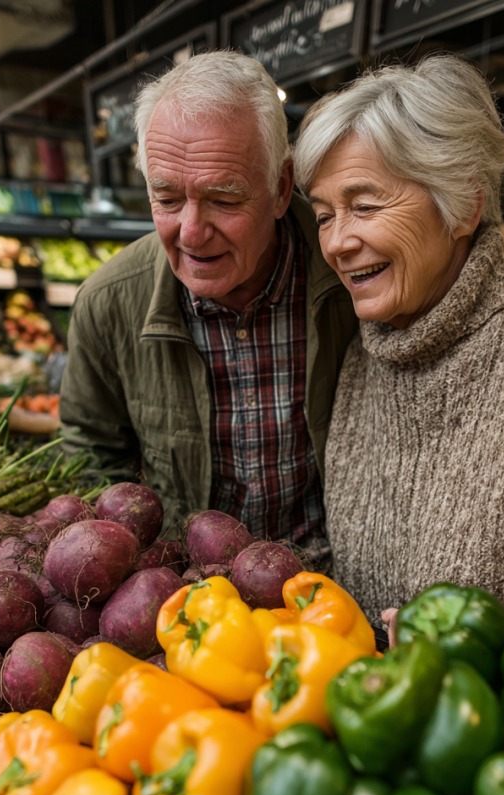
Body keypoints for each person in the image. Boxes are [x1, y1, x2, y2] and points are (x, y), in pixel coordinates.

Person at [292, 53, 504, 636]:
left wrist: (456, 643)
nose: (338, 243)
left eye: (365, 206)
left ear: (464, 206)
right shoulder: (365, 353)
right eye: (324, 216)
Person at [60, 51, 358, 558]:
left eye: (224, 199)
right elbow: (92, 455)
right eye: (168, 198)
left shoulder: (350, 277)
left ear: (282, 188)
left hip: (331, 591)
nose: (192, 233)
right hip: (186, 602)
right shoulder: (107, 303)